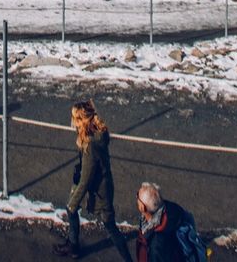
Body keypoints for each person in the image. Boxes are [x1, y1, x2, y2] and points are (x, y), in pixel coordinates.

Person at [57, 99, 130, 261]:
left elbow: (86, 179)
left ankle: (128, 259)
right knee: (72, 209)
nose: (72, 122)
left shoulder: (91, 144)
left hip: (100, 192)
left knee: (110, 226)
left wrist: (74, 203)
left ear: (82, 120)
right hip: (99, 186)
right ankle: (73, 245)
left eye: (74, 118)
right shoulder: (96, 133)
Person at [134, 182, 201, 262]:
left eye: (137, 196)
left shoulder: (156, 245)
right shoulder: (172, 210)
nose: (136, 197)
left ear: (142, 207)